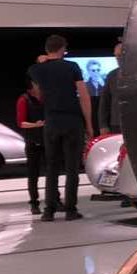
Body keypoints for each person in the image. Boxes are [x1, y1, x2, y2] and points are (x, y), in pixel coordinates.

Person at [28, 34, 92, 221]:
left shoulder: (35, 70)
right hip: (72, 121)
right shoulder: (72, 67)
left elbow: (38, 93)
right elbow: (84, 96)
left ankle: (49, 210)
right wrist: (89, 124)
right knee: (72, 167)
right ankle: (71, 210)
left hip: (51, 121)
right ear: (63, 48)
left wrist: (42, 61)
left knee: (51, 167)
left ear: (47, 49)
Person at [16, 79, 48, 215]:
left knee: (51, 173)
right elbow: (21, 123)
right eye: (37, 85)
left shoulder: (45, 98)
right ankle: (34, 203)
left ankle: (54, 200)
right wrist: (36, 125)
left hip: (47, 140)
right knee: (33, 174)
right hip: (33, 141)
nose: (40, 87)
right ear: (31, 88)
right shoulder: (24, 100)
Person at [98, 40, 123, 135]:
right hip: (117, 124)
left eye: (120, 56)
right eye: (116, 56)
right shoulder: (112, 75)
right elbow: (105, 102)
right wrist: (103, 125)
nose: (117, 59)